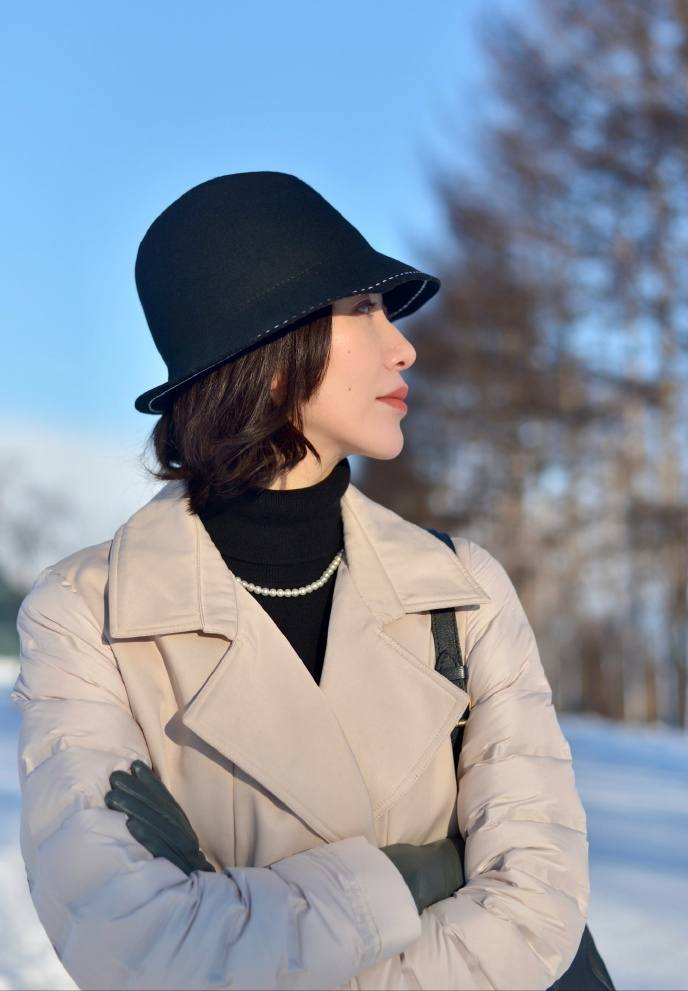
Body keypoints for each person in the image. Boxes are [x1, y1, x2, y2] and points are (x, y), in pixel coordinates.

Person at [12, 172, 590, 990]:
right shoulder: (87, 614)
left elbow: (538, 902)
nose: (403, 347)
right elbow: (131, 939)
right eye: (364, 309)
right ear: (271, 355)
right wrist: (410, 882)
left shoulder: (463, 590)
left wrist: (274, 924)